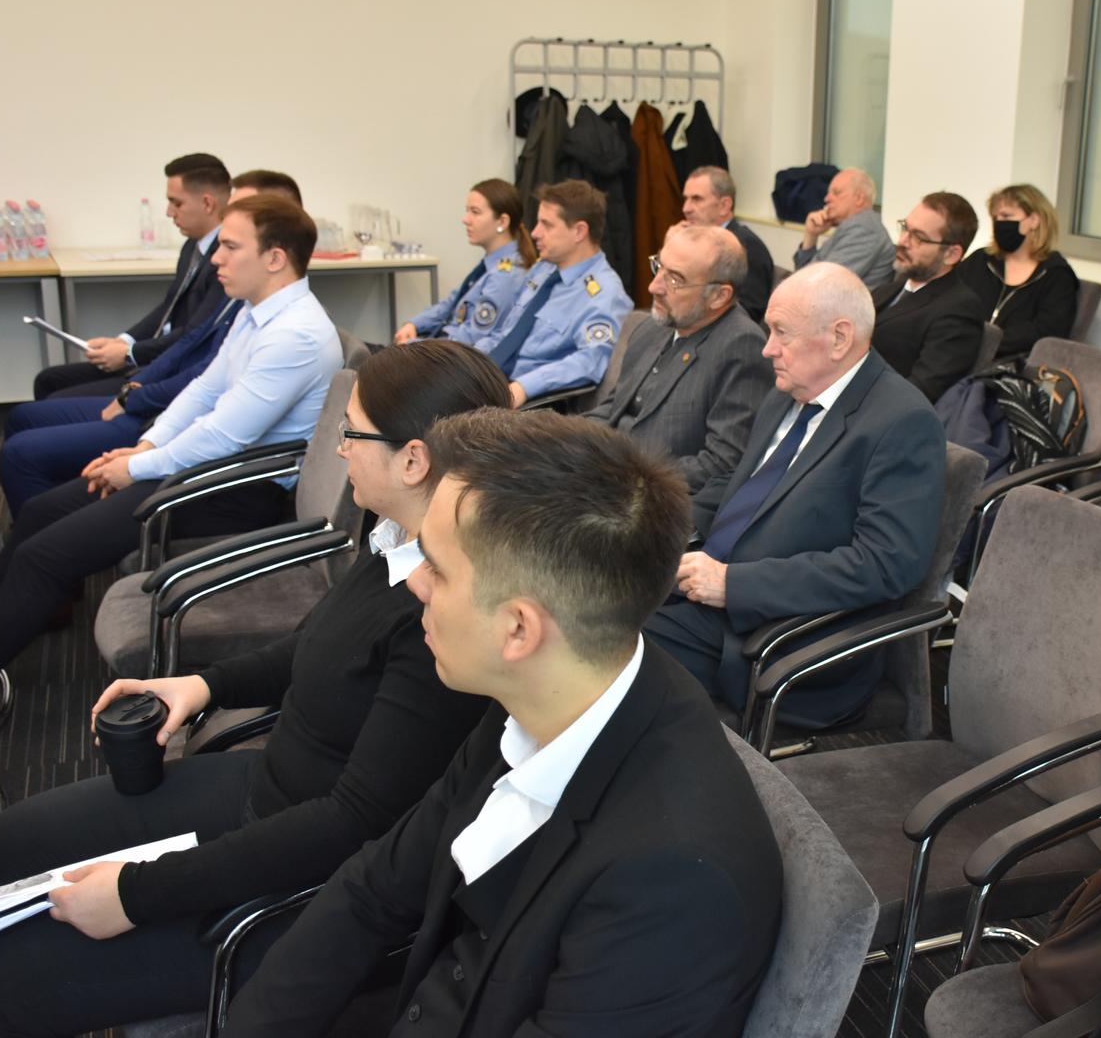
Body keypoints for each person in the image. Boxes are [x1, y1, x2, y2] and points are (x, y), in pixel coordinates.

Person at [0, 341, 509, 1036]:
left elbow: (350, 827)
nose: (339, 449)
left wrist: (136, 895)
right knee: (6, 847)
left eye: (352, 433)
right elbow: (317, 648)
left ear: (413, 460)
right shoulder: (396, 537)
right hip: (266, 794)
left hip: (306, 890)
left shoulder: (439, 615)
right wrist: (204, 684)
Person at [222, 408, 784, 1037]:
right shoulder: (546, 691)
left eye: (437, 567)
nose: (415, 584)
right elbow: (376, 888)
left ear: (518, 628)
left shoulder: (669, 888)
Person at [0, 194, 342, 738]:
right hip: (203, 469)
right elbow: (203, 392)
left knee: (48, 556)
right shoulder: (256, 313)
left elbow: (226, 434)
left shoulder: (296, 334)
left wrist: (139, 468)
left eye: (230, 247)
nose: (216, 258)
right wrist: (144, 447)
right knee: (42, 513)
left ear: (275, 258)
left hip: (241, 488)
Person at [644, 262, 945, 727]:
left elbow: (886, 564)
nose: (768, 349)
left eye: (782, 333)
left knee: (607, 649)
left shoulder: (902, 421)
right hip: (710, 586)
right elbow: (741, 485)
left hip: (782, 635)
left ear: (839, 338)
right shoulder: (789, 391)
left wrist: (733, 585)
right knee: (590, 595)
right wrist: (656, 527)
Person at [0, 170, 304, 514]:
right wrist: (136, 393)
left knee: (27, 459)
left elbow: (215, 414)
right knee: (40, 417)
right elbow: (198, 368)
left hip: (197, 448)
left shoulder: (286, 327)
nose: (221, 247)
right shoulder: (248, 303)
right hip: (174, 422)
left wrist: (138, 419)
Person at [585, 224, 771, 491]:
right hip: (604, 472)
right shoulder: (653, 326)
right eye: (659, 267)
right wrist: (563, 438)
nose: (654, 286)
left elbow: (722, 463)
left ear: (719, 296)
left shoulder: (741, 347)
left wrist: (621, 473)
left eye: (675, 279)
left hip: (653, 495)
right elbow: (613, 408)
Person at [33, 153, 233, 400]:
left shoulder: (224, 259)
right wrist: (123, 341)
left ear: (207, 204)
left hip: (176, 368)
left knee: (53, 403)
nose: (169, 212)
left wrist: (130, 353)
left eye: (176, 203)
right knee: (48, 380)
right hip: (155, 355)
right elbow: (169, 307)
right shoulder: (193, 245)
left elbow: (195, 333)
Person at [461, 180, 631, 407]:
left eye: (547, 225)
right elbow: (505, 334)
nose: (535, 233)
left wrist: (524, 387)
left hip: (526, 400)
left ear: (579, 231)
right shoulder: (543, 270)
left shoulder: (604, 293)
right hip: (488, 377)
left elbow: (590, 360)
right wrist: (464, 359)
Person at [871, 191, 986, 402]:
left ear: (951, 254)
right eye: (905, 228)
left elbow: (921, 390)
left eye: (918, 237)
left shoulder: (959, 309)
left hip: (879, 409)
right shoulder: (889, 289)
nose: (902, 241)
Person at [393, 179, 534, 347]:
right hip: (444, 346)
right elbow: (451, 304)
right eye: (467, 211)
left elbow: (472, 338)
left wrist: (414, 345)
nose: (466, 219)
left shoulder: (504, 276)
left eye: (475, 212)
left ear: (502, 222)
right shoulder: (491, 265)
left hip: (454, 356)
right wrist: (414, 324)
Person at [955, 182, 1078, 362]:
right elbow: (949, 298)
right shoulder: (981, 260)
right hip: (960, 352)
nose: (999, 223)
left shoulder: (1056, 275)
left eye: (1006, 216)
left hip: (1009, 365)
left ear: (1034, 220)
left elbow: (1048, 332)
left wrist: (986, 342)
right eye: (996, 217)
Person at [682, 165, 775, 322]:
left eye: (697, 199)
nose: (686, 208)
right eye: (685, 199)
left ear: (724, 205)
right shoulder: (696, 243)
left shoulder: (746, 245)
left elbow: (749, 311)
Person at [793, 167, 896, 288]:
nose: (826, 199)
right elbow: (805, 275)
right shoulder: (853, 226)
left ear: (859, 198)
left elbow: (822, 283)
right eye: (828, 193)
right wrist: (811, 235)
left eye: (836, 193)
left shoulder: (864, 230)